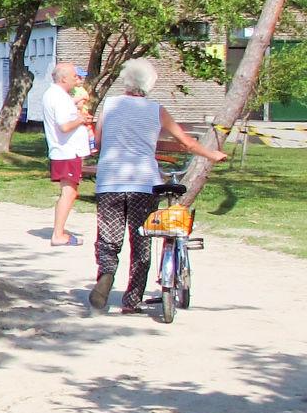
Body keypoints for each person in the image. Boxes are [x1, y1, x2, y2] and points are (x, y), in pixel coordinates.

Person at [88, 59, 226, 314]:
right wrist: (212, 154)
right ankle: (132, 300)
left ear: (126, 80)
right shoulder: (157, 110)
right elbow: (186, 143)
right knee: (142, 239)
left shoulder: (110, 105)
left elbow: (97, 140)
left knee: (109, 237)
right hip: (144, 182)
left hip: (110, 180)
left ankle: (106, 275)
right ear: (149, 84)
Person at [41, 62, 93, 248]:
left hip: (65, 151)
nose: (76, 80)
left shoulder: (55, 95)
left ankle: (59, 230)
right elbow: (64, 126)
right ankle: (58, 234)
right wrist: (80, 119)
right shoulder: (59, 98)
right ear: (63, 78)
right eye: (73, 76)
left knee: (69, 191)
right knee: (69, 193)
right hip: (67, 151)